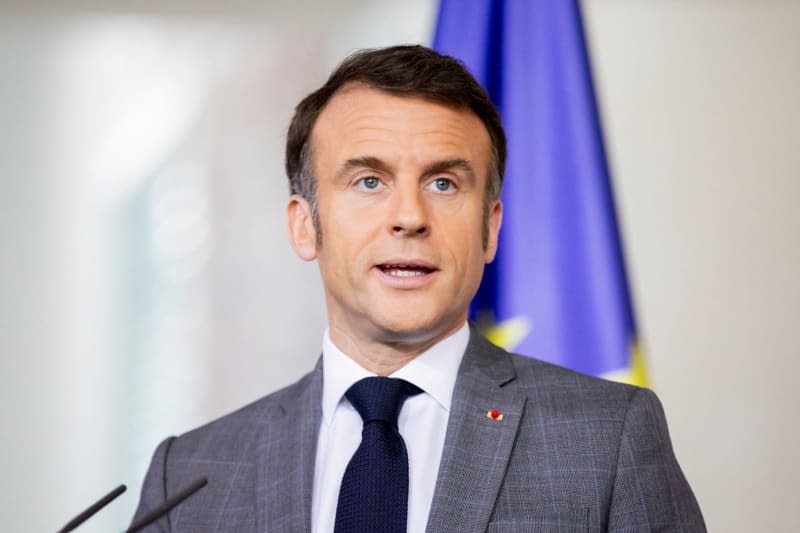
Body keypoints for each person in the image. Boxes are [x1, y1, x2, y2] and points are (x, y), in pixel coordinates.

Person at [132, 45, 705, 532]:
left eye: (443, 182)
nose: (409, 216)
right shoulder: (189, 475)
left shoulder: (608, 439)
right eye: (369, 180)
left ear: (490, 227)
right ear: (304, 225)